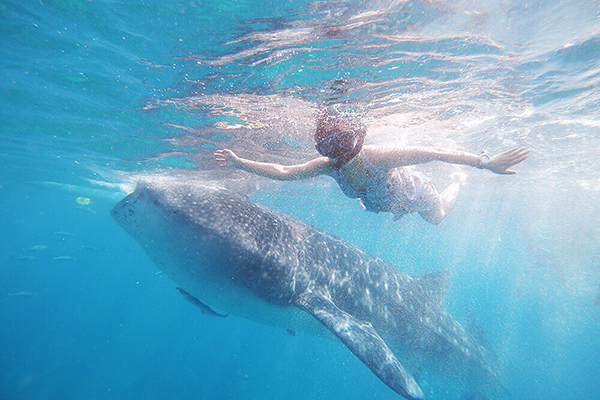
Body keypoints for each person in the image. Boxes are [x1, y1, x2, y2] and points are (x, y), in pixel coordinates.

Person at [214, 109, 529, 224]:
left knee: (438, 219)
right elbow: (285, 173)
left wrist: (485, 163)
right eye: (329, 146)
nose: (339, 151)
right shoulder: (327, 166)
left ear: (356, 138)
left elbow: (435, 152)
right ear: (323, 148)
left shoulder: (379, 156)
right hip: (384, 204)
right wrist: (239, 162)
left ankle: (457, 182)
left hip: (417, 195)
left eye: (343, 141)